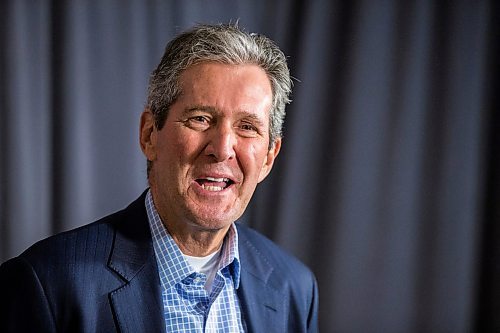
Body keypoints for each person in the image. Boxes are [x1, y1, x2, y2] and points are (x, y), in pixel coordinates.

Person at [0, 23, 318, 332]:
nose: (222, 149)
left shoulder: (294, 288)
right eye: (201, 119)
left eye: (247, 127)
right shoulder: (47, 283)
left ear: (269, 156)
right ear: (150, 134)